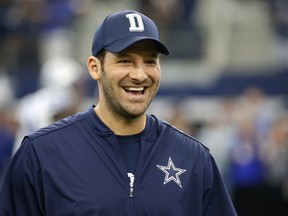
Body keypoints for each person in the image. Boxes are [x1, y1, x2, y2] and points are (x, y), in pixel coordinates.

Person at [0, 10, 237, 215]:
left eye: (150, 61)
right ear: (95, 67)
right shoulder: (42, 153)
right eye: (125, 61)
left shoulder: (193, 158)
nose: (140, 74)